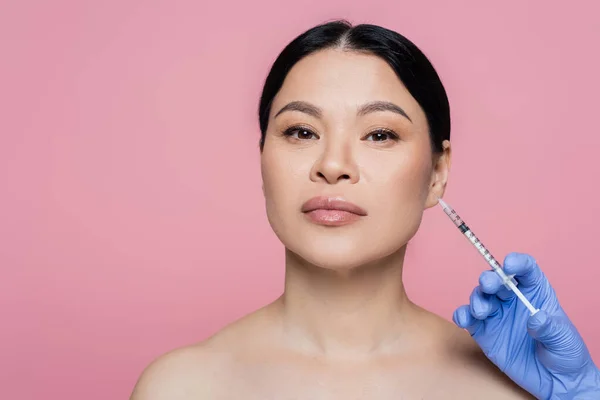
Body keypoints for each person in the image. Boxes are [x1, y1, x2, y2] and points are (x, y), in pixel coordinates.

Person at [130, 20, 599, 399]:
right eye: (301, 132)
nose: (333, 165)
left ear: (437, 173)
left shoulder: (506, 389)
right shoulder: (182, 388)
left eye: (380, 134)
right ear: (262, 160)